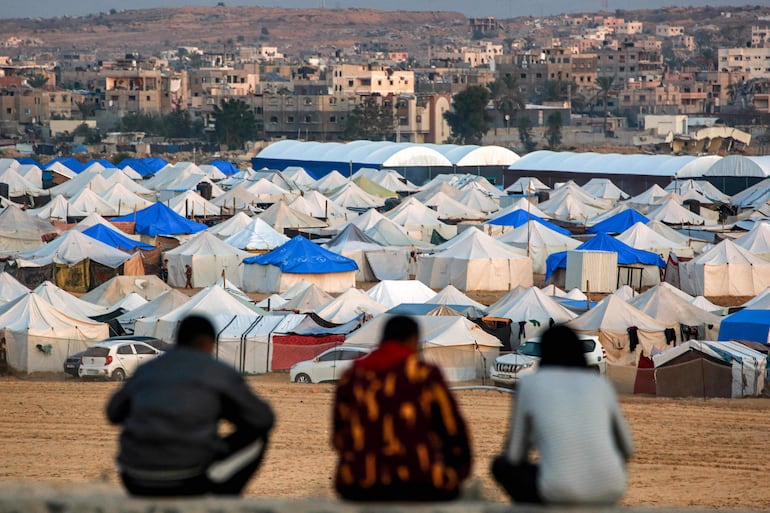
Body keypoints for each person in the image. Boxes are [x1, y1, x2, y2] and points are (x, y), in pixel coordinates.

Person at [106, 315, 275, 496]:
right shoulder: (217, 372)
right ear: (208, 343)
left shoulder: (147, 370)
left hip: (134, 478)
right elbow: (264, 419)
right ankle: (224, 498)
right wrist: (224, 409)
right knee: (258, 437)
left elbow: (113, 413)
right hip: (188, 479)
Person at [332, 315, 471, 502]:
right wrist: (456, 472)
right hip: (418, 483)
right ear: (413, 340)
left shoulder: (351, 377)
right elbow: (453, 430)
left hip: (359, 483)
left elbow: (338, 438)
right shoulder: (424, 375)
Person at [492, 325, 634, 505]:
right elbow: (628, 448)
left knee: (500, 466)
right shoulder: (600, 384)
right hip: (611, 488)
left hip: (559, 490)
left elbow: (515, 455)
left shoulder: (530, 384)